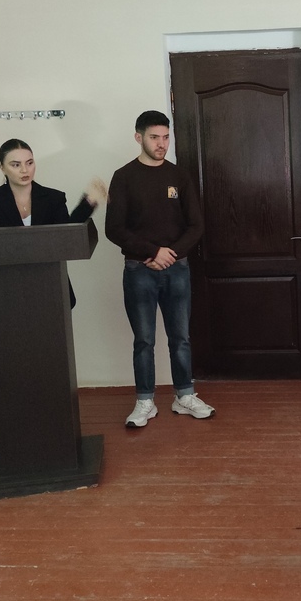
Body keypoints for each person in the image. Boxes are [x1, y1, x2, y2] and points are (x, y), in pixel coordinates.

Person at [105, 110, 213, 428]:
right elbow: (114, 228)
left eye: (166, 137)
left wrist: (170, 254)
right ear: (138, 137)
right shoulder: (123, 177)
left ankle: (184, 396)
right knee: (144, 340)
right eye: (154, 137)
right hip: (139, 271)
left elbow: (196, 225)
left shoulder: (179, 176)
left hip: (177, 269)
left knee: (181, 337)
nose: (161, 144)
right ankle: (145, 402)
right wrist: (153, 252)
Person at [0, 138, 107, 308]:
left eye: (29, 163)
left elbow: (65, 235)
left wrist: (89, 202)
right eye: (16, 165)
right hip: (5, 291)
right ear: (2, 168)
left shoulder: (53, 198)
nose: (24, 170)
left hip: (51, 287)